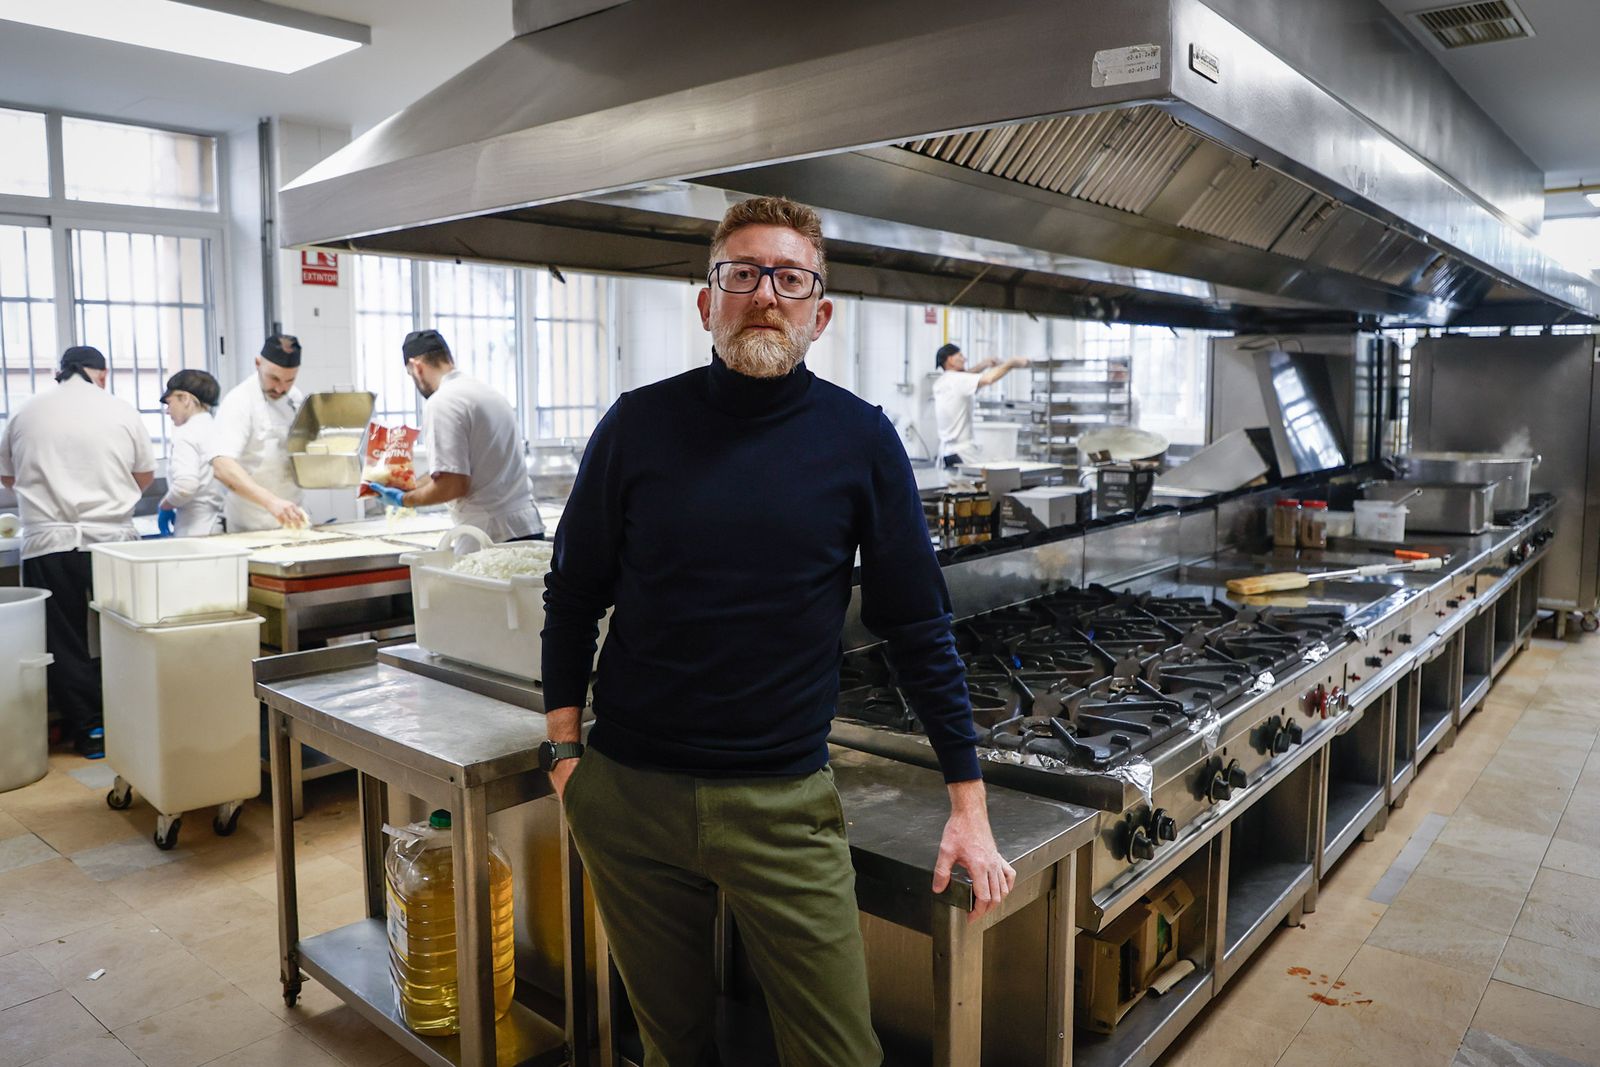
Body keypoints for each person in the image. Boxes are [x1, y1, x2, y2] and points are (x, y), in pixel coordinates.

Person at [540, 195, 1013, 1067]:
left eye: (790, 278)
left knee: (840, 1055)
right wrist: (565, 752)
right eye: (743, 274)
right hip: (631, 797)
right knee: (674, 1047)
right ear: (707, 302)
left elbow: (918, 625)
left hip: (783, 805)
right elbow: (572, 593)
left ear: (818, 314)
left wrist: (968, 805)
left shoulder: (861, 440)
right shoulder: (636, 425)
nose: (765, 293)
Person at [0, 346, 154, 758]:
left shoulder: (25, 411)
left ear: (59, 372)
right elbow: (144, 476)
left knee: (64, 640)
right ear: (102, 374)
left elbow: (8, 477)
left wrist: (50, 496)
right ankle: (134, 722)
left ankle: (89, 731)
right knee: (124, 633)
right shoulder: (120, 410)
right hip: (111, 543)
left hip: (48, 544)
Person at [363, 329, 542, 542]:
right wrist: (409, 485)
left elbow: (453, 485)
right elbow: (458, 469)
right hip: (527, 527)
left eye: (411, 375)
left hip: (491, 535)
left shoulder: (442, 402)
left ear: (416, 367)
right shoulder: (487, 393)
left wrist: (405, 500)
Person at [209, 334, 310, 531]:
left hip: (293, 516)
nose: (280, 388)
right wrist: (271, 502)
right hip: (250, 522)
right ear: (258, 364)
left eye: (289, 380)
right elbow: (222, 466)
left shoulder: (295, 397)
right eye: (274, 378)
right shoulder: (239, 401)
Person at [931, 342, 1029, 468]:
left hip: (946, 452)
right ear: (950, 359)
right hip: (962, 453)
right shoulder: (957, 380)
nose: (964, 359)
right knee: (981, 478)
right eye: (960, 356)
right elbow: (988, 379)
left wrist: (984, 364)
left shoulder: (942, 382)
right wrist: (1011, 363)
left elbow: (966, 376)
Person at [157, 369, 225, 537]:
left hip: (195, 529)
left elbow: (185, 487)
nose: (167, 411)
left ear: (185, 398)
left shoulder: (186, 434)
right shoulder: (218, 429)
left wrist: (165, 506)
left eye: (169, 403)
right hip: (217, 524)